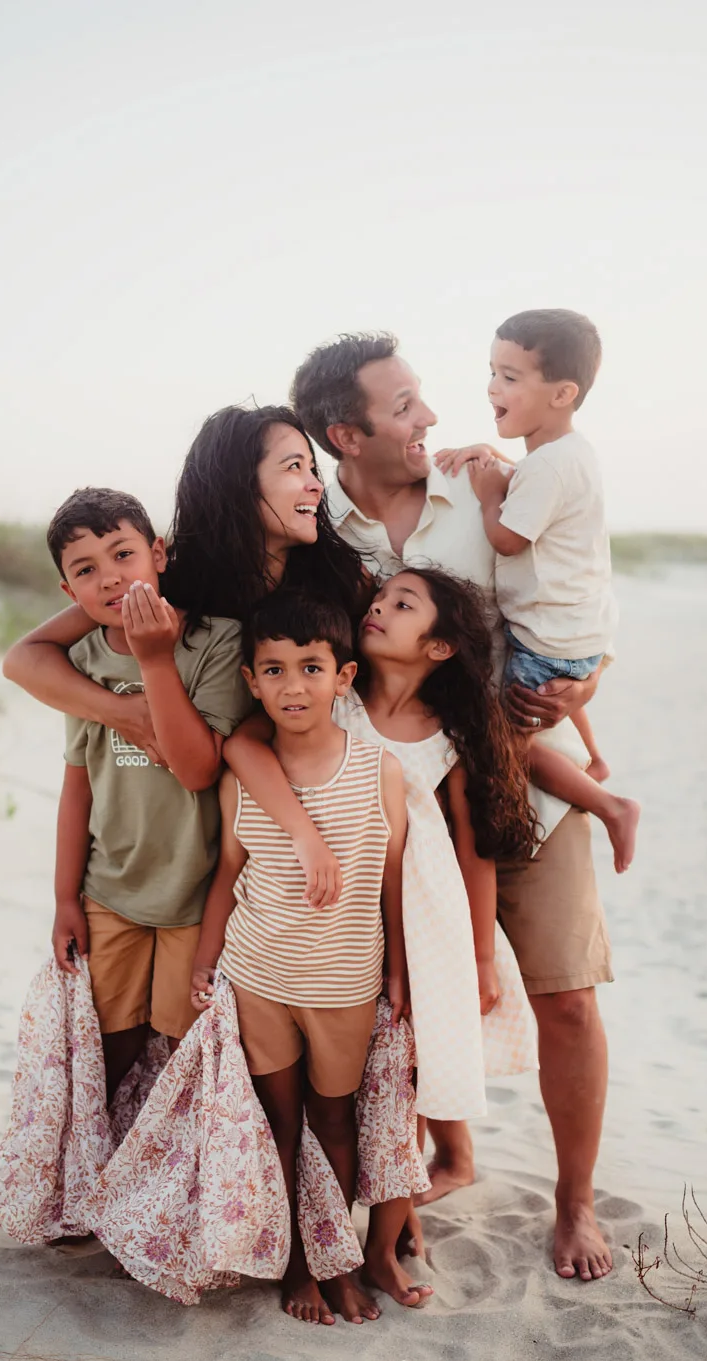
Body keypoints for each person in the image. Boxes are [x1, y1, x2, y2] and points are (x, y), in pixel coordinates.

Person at [289, 332, 615, 1281]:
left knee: (566, 997)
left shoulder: (495, 493)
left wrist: (587, 684)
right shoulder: (319, 536)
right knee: (405, 997)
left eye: (424, 397)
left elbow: (583, 602)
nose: (432, 416)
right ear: (345, 435)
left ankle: (576, 1203)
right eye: (404, 406)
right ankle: (441, 1155)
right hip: (390, 809)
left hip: (512, 777)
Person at [225, 566, 539, 1289]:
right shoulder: (333, 695)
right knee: (339, 1090)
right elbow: (244, 744)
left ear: (439, 648)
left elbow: (473, 846)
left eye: (404, 604)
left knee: (403, 1085)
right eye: (380, 598)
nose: (380, 607)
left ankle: (386, 1241)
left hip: (423, 918)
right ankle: (342, 1235)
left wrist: (482, 957)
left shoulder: (451, 732)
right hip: (332, 915)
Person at [2, 404, 370, 899]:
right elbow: (23, 659)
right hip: (187, 846)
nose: (314, 485)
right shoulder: (171, 579)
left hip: (313, 822)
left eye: (311, 468)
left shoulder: (340, 585)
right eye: (292, 467)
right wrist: (123, 713)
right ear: (240, 482)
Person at [190, 591, 409, 1327]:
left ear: (343, 677)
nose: (292, 686)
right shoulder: (244, 778)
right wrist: (204, 959)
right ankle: (294, 1264)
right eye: (274, 671)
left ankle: (336, 1259)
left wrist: (399, 969)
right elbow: (227, 874)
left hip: (344, 981)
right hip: (259, 978)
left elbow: (392, 880)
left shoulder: (376, 770)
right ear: (250, 681)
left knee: (336, 1122)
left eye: (310, 668)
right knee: (279, 1125)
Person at [46, 486, 253, 1100]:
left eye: (123, 555)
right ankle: (100, 1171)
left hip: (195, 893)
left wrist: (155, 661)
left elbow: (196, 771)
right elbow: (76, 787)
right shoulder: (80, 659)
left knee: (179, 1052)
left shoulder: (215, 641)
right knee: (109, 1046)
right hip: (110, 891)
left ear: (158, 555)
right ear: (69, 593)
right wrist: (64, 897)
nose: (110, 579)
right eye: (87, 570)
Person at [435, 309, 640, 874]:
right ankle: (595, 758)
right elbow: (533, 479)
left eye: (509, 376)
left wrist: (486, 497)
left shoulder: (544, 470)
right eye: (492, 372)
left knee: (504, 738)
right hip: (581, 631)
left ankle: (611, 806)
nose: (492, 387)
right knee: (555, 690)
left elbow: (505, 538)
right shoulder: (570, 454)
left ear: (562, 393)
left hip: (548, 638)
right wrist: (494, 464)